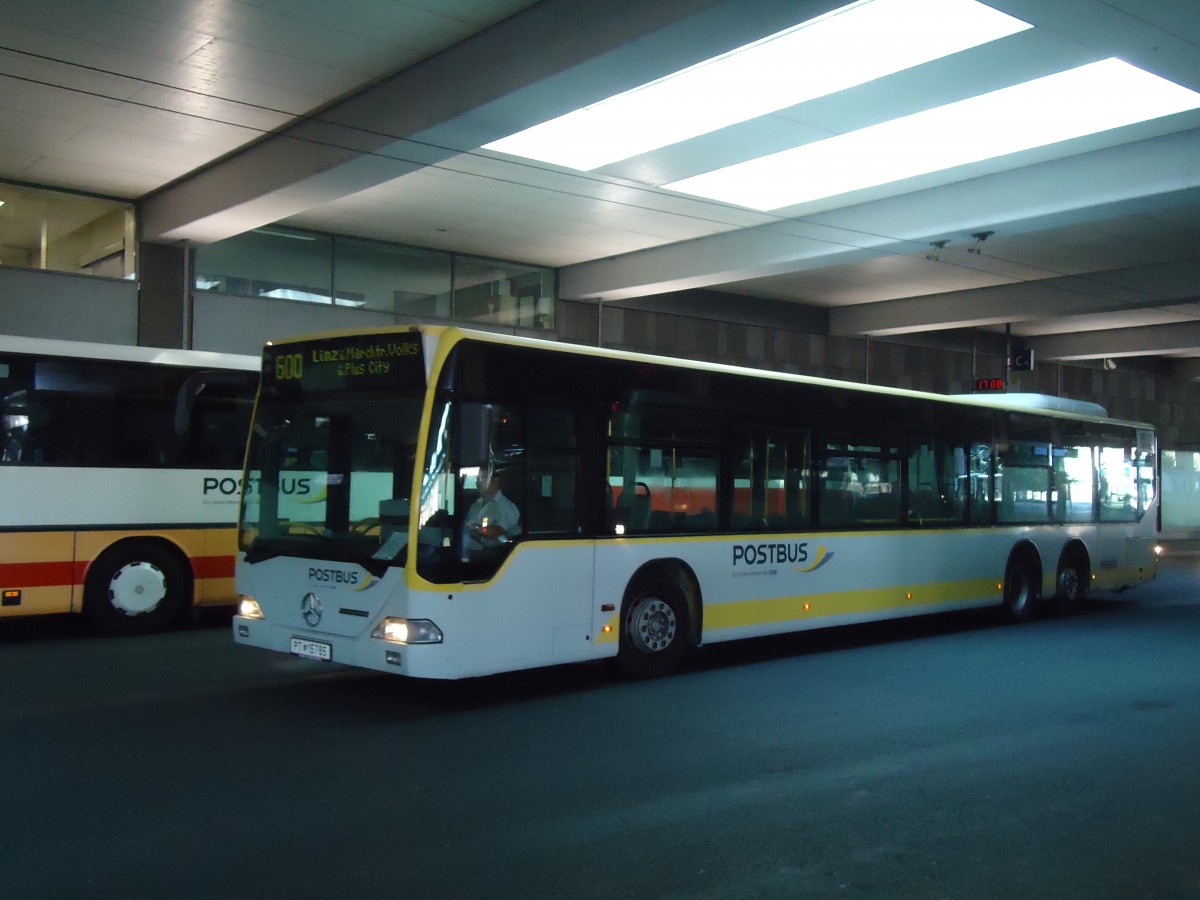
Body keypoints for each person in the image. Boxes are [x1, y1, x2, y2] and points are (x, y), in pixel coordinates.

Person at [464, 465, 521, 551]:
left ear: (495, 480)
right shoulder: (475, 505)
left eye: (483, 478)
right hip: (469, 553)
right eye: (477, 478)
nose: (478, 482)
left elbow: (502, 534)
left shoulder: (507, 507)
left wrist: (478, 529)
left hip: (494, 557)